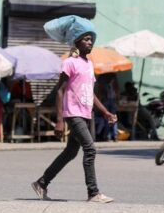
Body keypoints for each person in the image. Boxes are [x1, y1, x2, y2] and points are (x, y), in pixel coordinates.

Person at [32, 17, 116, 203]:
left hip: (85, 114)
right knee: (90, 149)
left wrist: (106, 112)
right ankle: (93, 193)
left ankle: (42, 183)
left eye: (91, 39)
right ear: (77, 41)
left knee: (70, 152)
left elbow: (90, 93)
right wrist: (60, 120)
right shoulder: (70, 62)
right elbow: (60, 91)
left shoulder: (89, 64)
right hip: (73, 113)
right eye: (86, 39)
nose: (90, 42)